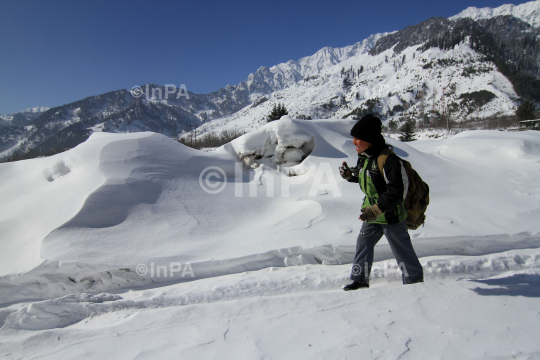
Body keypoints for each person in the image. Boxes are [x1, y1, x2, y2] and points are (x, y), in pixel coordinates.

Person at [339, 114, 424, 290]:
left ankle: (414, 282)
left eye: (358, 138)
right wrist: (350, 176)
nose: (354, 142)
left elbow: (398, 192)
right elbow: (370, 180)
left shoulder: (389, 160)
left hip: (390, 213)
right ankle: (360, 280)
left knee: (401, 249)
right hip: (372, 211)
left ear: (370, 139)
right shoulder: (365, 157)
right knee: (364, 243)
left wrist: (377, 209)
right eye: (353, 138)